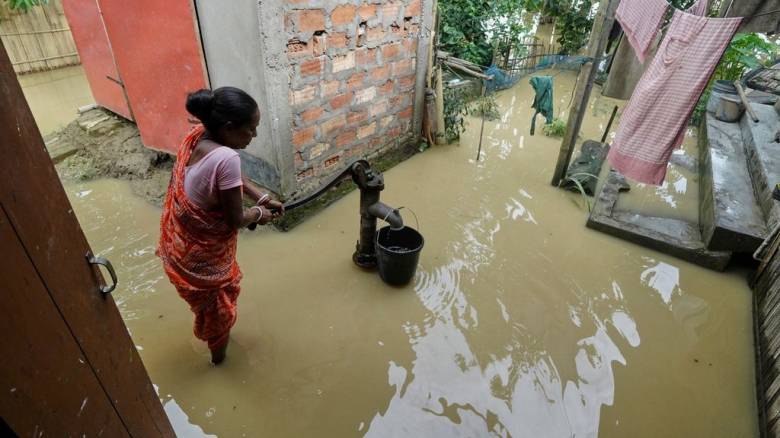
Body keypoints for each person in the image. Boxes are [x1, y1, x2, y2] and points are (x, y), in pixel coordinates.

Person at [157, 86, 283, 364]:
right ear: (228, 127)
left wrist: (260, 196)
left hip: (177, 248)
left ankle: (218, 345)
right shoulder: (227, 158)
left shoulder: (198, 136)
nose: (255, 135)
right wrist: (259, 213)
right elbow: (236, 220)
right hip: (201, 266)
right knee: (219, 318)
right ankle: (218, 362)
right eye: (251, 129)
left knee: (208, 310)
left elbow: (228, 177)